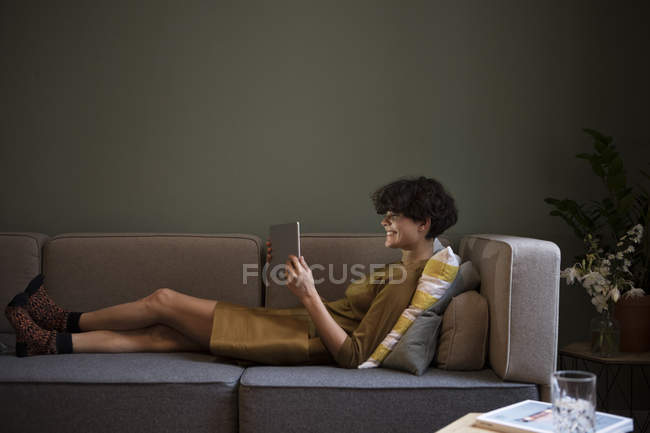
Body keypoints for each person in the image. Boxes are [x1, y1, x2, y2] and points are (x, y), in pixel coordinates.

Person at [4, 176, 457, 368]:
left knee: (163, 301)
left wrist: (308, 296)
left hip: (291, 340)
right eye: (387, 214)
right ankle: (47, 342)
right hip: (293, 327)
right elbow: (347, 313)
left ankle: (60, 320)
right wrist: (290, 272)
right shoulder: (404, 266)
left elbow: (353, 355)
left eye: (394, 216)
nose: (385, 221)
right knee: (163, 337)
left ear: (424, 224)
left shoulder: (408, 283)